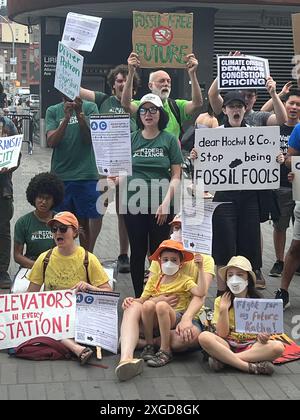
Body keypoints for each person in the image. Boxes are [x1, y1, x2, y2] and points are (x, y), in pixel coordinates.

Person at [190, 91, 284, 296]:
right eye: (231, 106)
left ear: (244, 110)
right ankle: (222, 294)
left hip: (249, 198)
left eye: (239, 106)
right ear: (224, 110)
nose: (236, 110)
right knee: (223, 246)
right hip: (224, 198)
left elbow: (269, 154)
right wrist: (196, 156)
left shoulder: (256, 134)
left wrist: (275, 157)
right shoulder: (214, 135)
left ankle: (246, 294)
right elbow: (201, 167)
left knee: (248, 245)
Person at [118, 93, 183, 297]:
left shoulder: (169, 140)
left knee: (158, 253)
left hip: (161, 206)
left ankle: (158, 295)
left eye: (153, 109)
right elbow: (122, 171)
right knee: (137, 253)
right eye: (144, 110)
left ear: (160, 114)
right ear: (139, 115)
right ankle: (140, 297)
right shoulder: (131, 139)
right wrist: (113, 179)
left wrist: (165, 204)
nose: (148, 114)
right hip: (133, 203)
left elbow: (176, 176)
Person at [26, 211, 112, 364]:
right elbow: (30, 296)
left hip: (80, 315)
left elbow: (109, 294)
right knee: (47, 321)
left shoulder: (88, 259)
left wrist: (89, 287)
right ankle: (77, 349)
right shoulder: (44, 258)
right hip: (52, 316)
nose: (58, 232)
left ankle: (72, 346)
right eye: (54, 229)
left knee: (50, 325)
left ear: (75, 233)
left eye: (63, 229)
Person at [116, 240, 207, 380]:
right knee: (148, 305)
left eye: (174, 260)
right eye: (165, 259)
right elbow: (142, 300)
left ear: (180, 263)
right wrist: (130, 301)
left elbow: (200, 292)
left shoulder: (185, 279)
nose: (169, 263)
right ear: (159, 262)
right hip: (156, 320)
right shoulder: (155, 280)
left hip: (176, 315)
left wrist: (200, 268)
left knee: (162, 307)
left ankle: (165, 349)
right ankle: (149, 345)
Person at [80, 64, 141, 273]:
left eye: (126, 80)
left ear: (133, 87)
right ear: (113, 84)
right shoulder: (102, 99)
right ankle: (88, 253)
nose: (122, 83)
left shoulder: (138, 107)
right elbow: (76, 89)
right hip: (104, 166)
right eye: (119, 80)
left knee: (123, 211)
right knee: (98, 209)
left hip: (127, 166)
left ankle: (124, 255)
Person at [198, 256, 285, 375]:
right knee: (204, 337)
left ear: (248, 279)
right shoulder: (220, 300)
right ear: (226, 280)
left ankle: (226, 360)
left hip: (251, 345)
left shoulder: (258, 301)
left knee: (278, 347)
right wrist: (223, 310)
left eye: (240, 275)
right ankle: (249, 367)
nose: (234, 279)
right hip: (226, 344)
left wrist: (263, 336)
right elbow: (222, 334)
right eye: (230, 275)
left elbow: (263, 333)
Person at [46, 95, 101, 252]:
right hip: (60, 177)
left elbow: (90, 138)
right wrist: (66, 118)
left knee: (83, 224)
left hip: (86, 175)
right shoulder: (53, 110)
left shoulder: (90, 107)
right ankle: (61, 259)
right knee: (60, 224)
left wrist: (80, 114)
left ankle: (86, 261)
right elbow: (51, 142)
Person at [121, 52, 203, 140]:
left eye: (168, 81)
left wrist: (192, 74)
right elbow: (126, 105)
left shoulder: (176, 107)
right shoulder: (142, 105)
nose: (166, 84)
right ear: (150, 86)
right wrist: (131, 72)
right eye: (162, 81)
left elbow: (197, 104)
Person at [264, 90, 300, 277]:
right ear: (284, 104)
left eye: (298, 105)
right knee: (280, 225)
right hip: (281, 185)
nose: (294, 107)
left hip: (299, 186)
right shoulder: (275, 127)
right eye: (291, 103)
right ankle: (280, 260)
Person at [13, 172, 64, 292]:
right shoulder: (23, 222)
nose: (43, 202)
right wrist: (38, 266)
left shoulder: (61, 222)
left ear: (54, 200)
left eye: (48, 198)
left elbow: (68, 249)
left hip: (57, 265)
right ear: (34, 197)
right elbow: (17, 255)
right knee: (19, 291)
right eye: (40, 197)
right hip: (31, 265)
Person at [275, 118, 300, 309]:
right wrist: (295, 170)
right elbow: (290, 159)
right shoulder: (299, 129)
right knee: (296, 247)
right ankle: (283, 291)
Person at [0, 114, 19, 289]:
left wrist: (10, 164)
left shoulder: (7, 125)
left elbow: (16, 157)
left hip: (2, 188)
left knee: (3, 230)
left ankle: (2, 271)